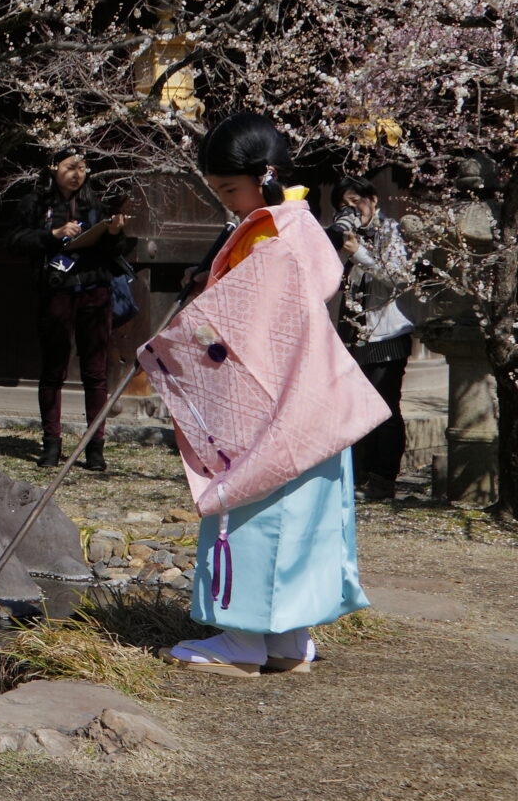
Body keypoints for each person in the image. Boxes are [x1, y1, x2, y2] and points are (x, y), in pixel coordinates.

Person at [141, 113, 382, 678]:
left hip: (271, 408)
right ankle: (290, 641)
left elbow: (244, 325)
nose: (226, 202)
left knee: (256, 515)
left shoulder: (272, 234)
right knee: (302, 524)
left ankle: (244, 638)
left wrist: (188, 330)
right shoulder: (291, 225)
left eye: (229, 189)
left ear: (264, 176)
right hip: (311, 404)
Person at [8, 148, 131, 472]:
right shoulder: (35, 203)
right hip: (56, 291)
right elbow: (15, 240)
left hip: (94, 291)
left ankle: (95, 447)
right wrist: (53, 235)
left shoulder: (96, 203)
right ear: (53, 167)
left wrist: (115, 233)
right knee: (53, 370)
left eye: (83, 167)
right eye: (70, 166)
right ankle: (51, 444)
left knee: (95, 371)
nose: (78, 173)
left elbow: (113, 251)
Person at [332, 177, 418, 501]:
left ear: (373, 199)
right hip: (352, 332)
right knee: (354, 408)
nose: (352, 211)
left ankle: (384, 478)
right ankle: (357, 474)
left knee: (384, 408)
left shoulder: (391, 231)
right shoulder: (344, 233)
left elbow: (400, 276)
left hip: (387, 332)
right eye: (344, 206)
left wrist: (361, 254)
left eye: (356, 202)